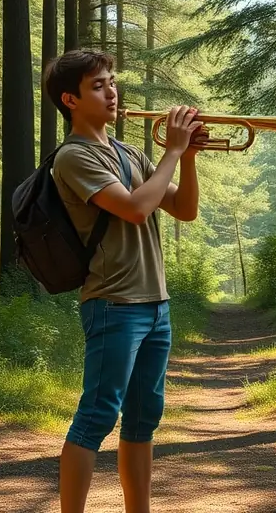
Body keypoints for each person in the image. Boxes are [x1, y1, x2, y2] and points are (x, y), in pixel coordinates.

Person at [45, 48, 206, 513]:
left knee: (143, 420)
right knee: (96, 417)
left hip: (156, 303)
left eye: (112, 82)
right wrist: (172, 151)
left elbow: (184, 209)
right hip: (113, 302)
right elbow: (135, 209)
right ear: (70, 100)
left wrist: (188, 157)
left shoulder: (129, 152)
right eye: (98, 86)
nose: (112, 92)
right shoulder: (73, 157)